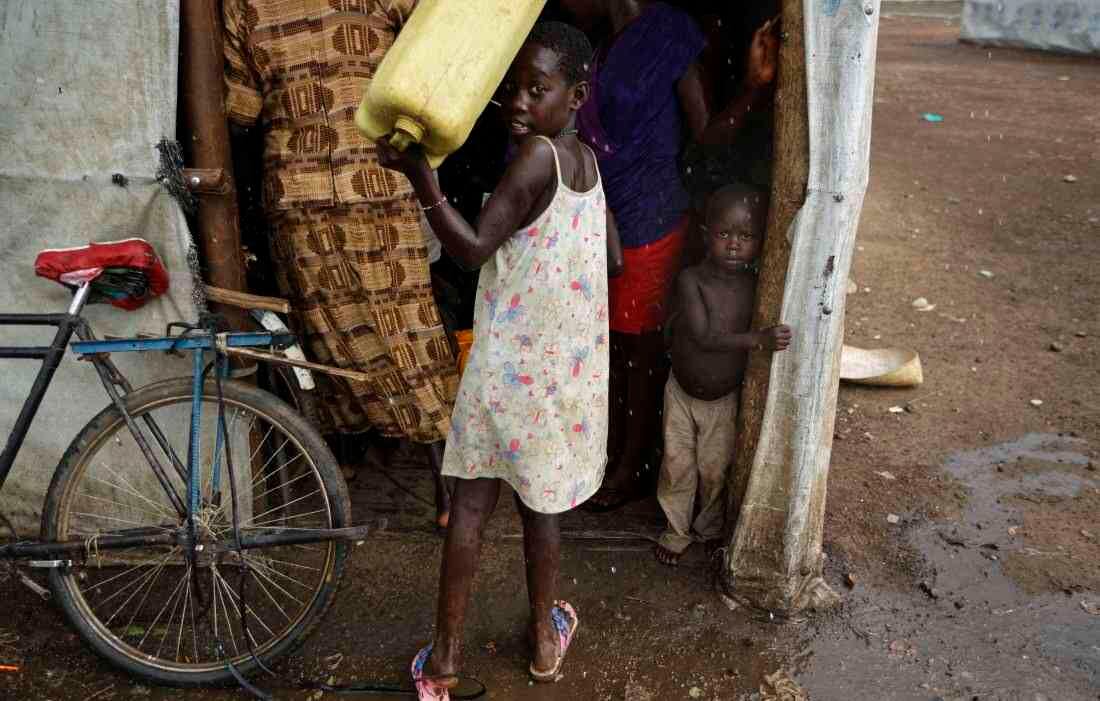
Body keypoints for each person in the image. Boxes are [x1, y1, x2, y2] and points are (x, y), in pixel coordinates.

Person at [375, 21, 622, 699]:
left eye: (536, 90)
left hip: (507, 373)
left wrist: (424, 180)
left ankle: (444, 662)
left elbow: (473, 249)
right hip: (559, 380)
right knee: (542, 511)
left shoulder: (535, 158)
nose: (517, 102)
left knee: (472, 508)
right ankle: (543, 645)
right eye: (512, 88)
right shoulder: (586, 162)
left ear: (576, 96)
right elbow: (613, 258)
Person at [221, 0, 458, 527]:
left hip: (300, 193)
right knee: (408, 333)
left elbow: (240, 112)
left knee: (328, 334)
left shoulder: (244, 5)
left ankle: (347, 461)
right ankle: (444, 487)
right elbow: (439, 59)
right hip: (380, 181)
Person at [556, 0, 780, 511]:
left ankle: (632, 467)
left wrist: (753, 86)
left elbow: (707, 137)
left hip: (650, 219)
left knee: (640, 355)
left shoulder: (670, 32)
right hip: (603, 219)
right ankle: (610, 453)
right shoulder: (602, 44)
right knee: (612, 348)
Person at [654, 184, 790, 566]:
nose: (734, 245)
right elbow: (703, 336)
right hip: (681, 393)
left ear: (761, 242)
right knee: (676, 465)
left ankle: (708, 527)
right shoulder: (692, 281)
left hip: (723, 399)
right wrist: (758, 340)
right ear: (705, 235)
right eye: (724, 234)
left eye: (746, 236)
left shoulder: (758, 287)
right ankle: (675, 530)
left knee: (715, 469)